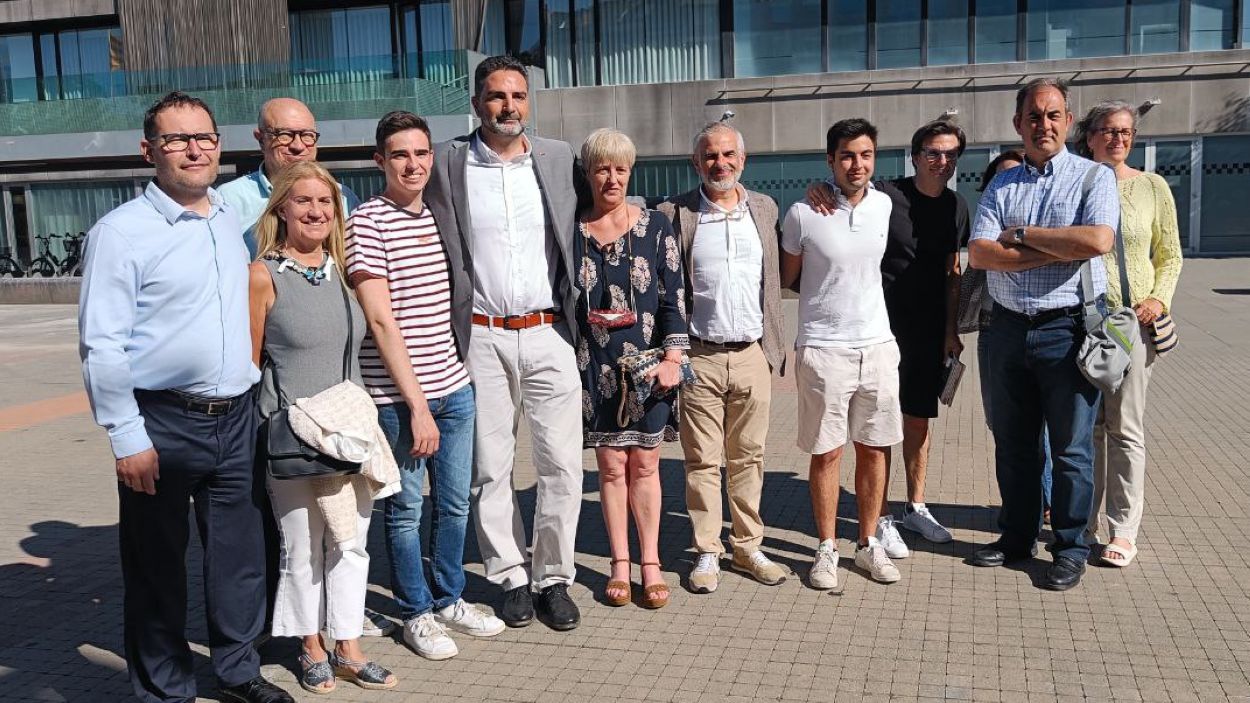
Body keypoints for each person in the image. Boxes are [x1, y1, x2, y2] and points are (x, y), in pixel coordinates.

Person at [78, 91, 293, 703]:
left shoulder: (227, 216)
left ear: (220, 146)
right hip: (162, 423)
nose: (193, 149)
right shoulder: (121, 234)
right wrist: (126, 436)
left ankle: (237, 668)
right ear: (150, 150)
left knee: (240, 561)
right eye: (176, 139)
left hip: (236, 419)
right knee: (155, 569)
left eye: (204, 137)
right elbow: (102, 345)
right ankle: (165, 690)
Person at [424, 55, 585, 631]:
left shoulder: (559, 158)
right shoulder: (447, 161)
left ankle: (554, 577)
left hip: (549, 333)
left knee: (562, 465)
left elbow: (603, 209)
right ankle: (512, 574)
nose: (508, 106)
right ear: (476, 103)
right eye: (496, 96)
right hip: (481, 338)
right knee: (490, 468)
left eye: (517, 96)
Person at [347, 111, 505, 659]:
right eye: (399, 155)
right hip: (399, 398)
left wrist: (446, 390)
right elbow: (381, 320)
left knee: (455, 505)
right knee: (407, 509)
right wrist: (416, 406)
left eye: (421, 153)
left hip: (455, 387)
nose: (412, 165)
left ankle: (450, 599)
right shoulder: (366, 222)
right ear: (380, 161)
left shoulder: (440, 215)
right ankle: (415, 611)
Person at [247, 161, 398, 693]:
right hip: (291, 433)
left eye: (326, 202)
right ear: (281, 208)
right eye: (304, 201)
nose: (315, 211)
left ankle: (348, 646)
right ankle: (309, 646)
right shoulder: (262, 275)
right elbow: (249, 361)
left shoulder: (344, 271)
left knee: (351, 543)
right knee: (302, 547)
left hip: (348, 432)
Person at [968, 77, 1118, 591]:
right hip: (1008, 330)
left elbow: (1097, 239)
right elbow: (982, 253)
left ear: (1068, 122)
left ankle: (1071, 547)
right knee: (1013, 444)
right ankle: (1016, 539)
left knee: (1071, 449)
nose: (1043, 124)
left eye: (1053, 115)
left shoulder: (1093, 178)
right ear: (1018, 124)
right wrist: (1060, 247)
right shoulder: (1001, 184)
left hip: (1067, 328)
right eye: (1034, 116)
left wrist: (1024, 236)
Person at [808, 119, 970, 556]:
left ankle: (915, 505)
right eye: (933, 153)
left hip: (929, 329)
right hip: (877, 330)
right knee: (872, 433)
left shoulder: (957, 207)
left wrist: (951, 329)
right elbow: (845, 180)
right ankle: (880, 519)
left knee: (918, 421)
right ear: (915, 156)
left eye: (951, 154)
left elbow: (952, 273)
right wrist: (817, 188)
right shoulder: (887, 196)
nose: (942, 161)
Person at [655, 121, 788, 593]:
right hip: (700, 356)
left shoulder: (766, 209)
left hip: (753, 352)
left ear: (743, 160)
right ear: (697, 163)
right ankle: (708, 551)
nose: (720, 163)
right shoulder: (675, 213)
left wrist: (774, 354)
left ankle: (749, 547)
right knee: (701, 462)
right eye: (710, 156)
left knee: (750, 458)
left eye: (729, 154)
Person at [780, 118, 904, 587]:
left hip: (876, 346)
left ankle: (868, 543)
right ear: (830, 159)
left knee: (874, 449)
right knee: (827, 453)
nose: (858, 164)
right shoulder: (802, 212)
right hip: (823, 349)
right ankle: (827, 547)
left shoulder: (886, 205)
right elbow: (789, 276)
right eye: (848, 155)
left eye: (866, 154)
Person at [575, 128, 688, 609]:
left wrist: (673, 359)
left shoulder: (656, 227)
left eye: (620, 168)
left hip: (647, 368)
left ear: (631, 171)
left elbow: (673, 299)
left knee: (645, 465)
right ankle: (619, 565)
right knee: (610, 467)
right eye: (602, 167)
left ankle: (651, 562)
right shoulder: (570, 229)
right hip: (592, 367)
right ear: (588, 173)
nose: (612, 177)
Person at [1074, 100, 1183, 567]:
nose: (1118, 139)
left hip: (1133, 325)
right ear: (1090, 136)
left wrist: (1159, 299)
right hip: (1082, 320)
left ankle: (1122, 529)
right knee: (1086, 430)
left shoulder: (1152, 187)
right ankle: (1081, 522)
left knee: (1125, 429)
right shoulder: (1075, 182)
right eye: (1108, 131)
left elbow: (1171, 254)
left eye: (1126, 132)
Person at [972, 150, 1058, 524]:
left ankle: (1046, 501)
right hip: (995, 330)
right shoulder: (984, 217)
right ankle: (1024, 508)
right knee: (1004, 425)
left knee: (1047, 429)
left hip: (1046, 325)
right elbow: (980, 255)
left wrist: (1019, 247)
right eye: (1001, 178)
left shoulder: (1041, 212)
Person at [219, 97, 362, 259]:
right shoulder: (229, 199)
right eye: (285, 135)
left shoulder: (344, 197)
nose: (298, 146)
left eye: (307, 135)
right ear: (261, 139)